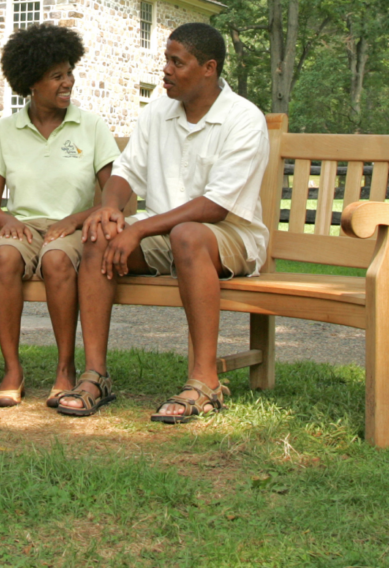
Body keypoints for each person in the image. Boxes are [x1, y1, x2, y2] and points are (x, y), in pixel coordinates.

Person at [57, 22, 270, 422]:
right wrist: (111, 209)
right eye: (166, 61)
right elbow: (126, 172)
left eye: (177, 62)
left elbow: (215, 208)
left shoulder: (243, 119)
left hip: (231, 237)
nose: (166, 71)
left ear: (208, 68)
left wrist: (137, 228)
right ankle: (95, 377)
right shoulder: (158, 111)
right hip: (164, 230)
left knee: (188, 235)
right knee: (98, 238)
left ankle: (205, 382)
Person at [0, 22, 120, 407]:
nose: (68, 82)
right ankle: (13, 369)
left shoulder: (90, 126)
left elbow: (115, 197)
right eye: (56, 76)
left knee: (57, 260)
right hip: (21, 227)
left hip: (75, 226)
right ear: (31, 82)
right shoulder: (5, 131)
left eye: (69, 72)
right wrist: (8, 222)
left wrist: (75, 221)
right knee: (4, 257)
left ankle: (65, 369)